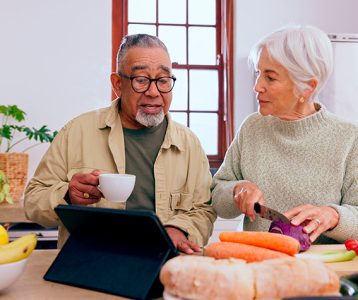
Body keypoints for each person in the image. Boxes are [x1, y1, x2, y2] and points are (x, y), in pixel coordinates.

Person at [24, 34, 216, 253]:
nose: (153, 92)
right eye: (141, 80)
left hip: (162, 267)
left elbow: (204, 209)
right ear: (117, 84)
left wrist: (179, 229)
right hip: (91, 265)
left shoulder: (189, 143)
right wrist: (68, 195)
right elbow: (33, 200)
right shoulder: (77, 131)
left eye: (163, 80)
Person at [212, 25, 358, 244]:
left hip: (323, 271)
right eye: (258, 73)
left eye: (270, 78)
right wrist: (236, 190)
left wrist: (334, 216)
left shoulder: (349, 137)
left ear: (307, 87)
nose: (257, 86)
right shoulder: (252, 127)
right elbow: (217, 195)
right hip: (259, 265)